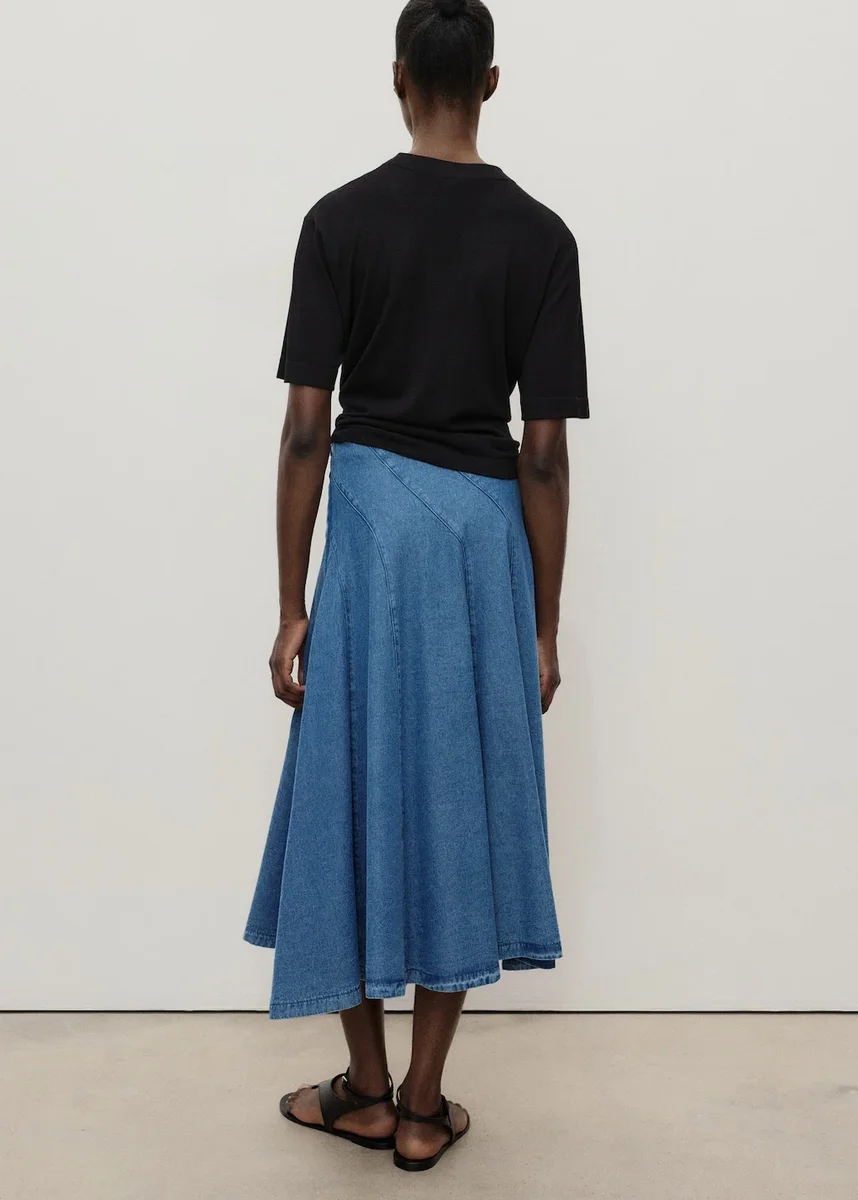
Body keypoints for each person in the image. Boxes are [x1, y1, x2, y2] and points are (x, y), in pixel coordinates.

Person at [244, 0, 589, 1172]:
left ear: (399, 78)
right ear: (489, 83)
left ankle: (364, 1087)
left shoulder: (337, 221)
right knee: (458, 796)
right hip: (482, 542)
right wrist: (544, 624)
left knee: (345, 786)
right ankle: (426, 1105)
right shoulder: (543, 238)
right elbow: (544, 450)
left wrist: (292, 603)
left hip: (372, 533)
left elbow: (306, 429)